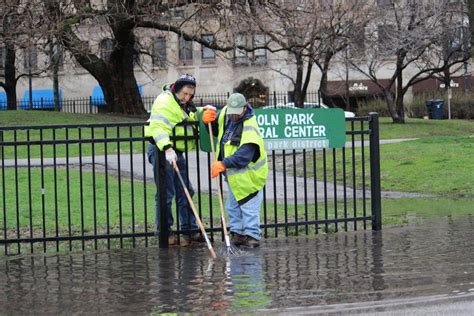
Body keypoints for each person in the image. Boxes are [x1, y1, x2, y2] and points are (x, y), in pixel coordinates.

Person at [145, 74, 214, 246]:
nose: (187, 97)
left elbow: (186, 117)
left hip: (176, 151)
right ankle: (165, 233)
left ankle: (189, 231)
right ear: (176, 89)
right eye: (185, 93)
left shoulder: (182, 103)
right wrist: (167, 148)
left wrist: (202, 112)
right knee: (166, 193)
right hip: (163, 150)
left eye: (191, 94)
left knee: (185, 191)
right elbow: (157, 127)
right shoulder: (164, 102)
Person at [202, 93, 268, 248]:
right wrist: (208, 122)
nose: (234, 115)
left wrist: (223, 164)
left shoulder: (250, 126)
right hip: (234, 175)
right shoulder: (226, 113)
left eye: (237, 112)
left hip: (250, 176)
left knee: (249, 206)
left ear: (245, 108)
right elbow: (217, 131)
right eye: (232, 111)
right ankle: (237, 234)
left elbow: (244, 155)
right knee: (232, 206)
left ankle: (252, 236)